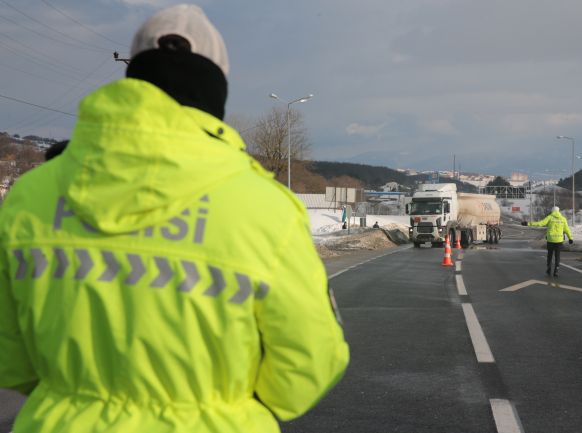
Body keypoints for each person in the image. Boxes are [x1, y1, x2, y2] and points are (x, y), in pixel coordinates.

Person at [0, 5, 348, 433]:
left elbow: (10, 357)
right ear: (215, 89)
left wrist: (74, 397)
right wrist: (227, 404)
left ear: (134, 78)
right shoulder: (266, 206)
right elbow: (305, 368)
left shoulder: (31, 195)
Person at [522, 206, 573, 276]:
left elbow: (540, 223)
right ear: (559, 211)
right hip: (559, 240)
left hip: (550, 239)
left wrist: (528, 224)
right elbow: (567, 229)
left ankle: (549, 268)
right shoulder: (563, 219)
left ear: (552, 211)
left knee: (550, 254)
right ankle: (556, 270)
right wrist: (570, 238)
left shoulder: (550, 217)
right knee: (557, 255)